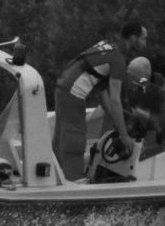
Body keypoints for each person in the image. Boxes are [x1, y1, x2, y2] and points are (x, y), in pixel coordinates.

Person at [53, 20, 148, 180]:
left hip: (62, 87)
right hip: (73, 93)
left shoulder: (107, 45)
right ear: (133, 39)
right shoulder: (118, 59)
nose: (145, 43)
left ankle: (56, 177)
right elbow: (115, 99)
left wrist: (117, 122)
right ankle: (75, 183)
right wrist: (124, 135)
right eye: (143, 38)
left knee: (61, 137)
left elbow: (101, 92)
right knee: (74, 141)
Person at [125, 56, 165, 154]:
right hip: (140, 134)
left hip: (160, 136)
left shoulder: (163, 87)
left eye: (134, 78)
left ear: (145, 77)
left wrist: (141, 114)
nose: (130, 82)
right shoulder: (131, 86)